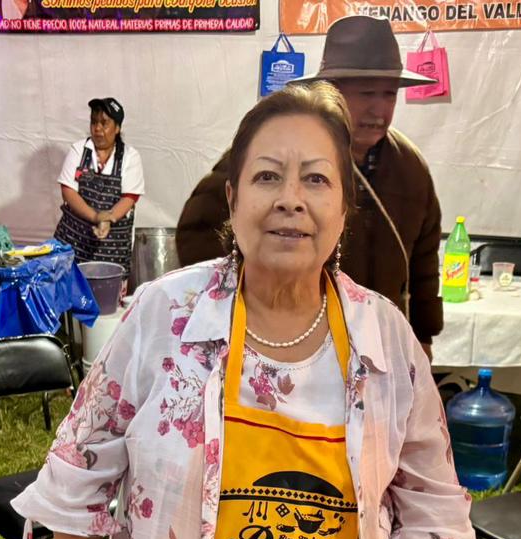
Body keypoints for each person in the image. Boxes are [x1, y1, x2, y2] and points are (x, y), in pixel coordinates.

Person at [14, 83, 489, 539]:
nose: (290, 200)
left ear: (344, 211)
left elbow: (432, 500)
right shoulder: (165, 315)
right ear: (233, 200)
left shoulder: (384, 336)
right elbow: (76, 471)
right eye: (268, 177)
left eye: (316, 180)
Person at [176, 16, 443, 356]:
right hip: (281, 340)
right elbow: (195, 230)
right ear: (331, 89)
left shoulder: (410, 166)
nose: (379, 109)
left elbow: (424, 258)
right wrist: (244, 303)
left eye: (388, 94)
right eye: (366, 94)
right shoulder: (277, 149)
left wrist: (424, 335)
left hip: (379, 343)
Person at [53, 97, 145, 279]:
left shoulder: (129, 157)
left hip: (112, 250)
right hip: (73, 242)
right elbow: (68, 191)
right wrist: (95, 217)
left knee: (108, 301)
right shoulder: (79, 150)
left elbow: (130, 197)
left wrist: (108, 218)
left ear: (117, 128)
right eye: (94, 122)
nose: (97, 129)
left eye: (104, 124)